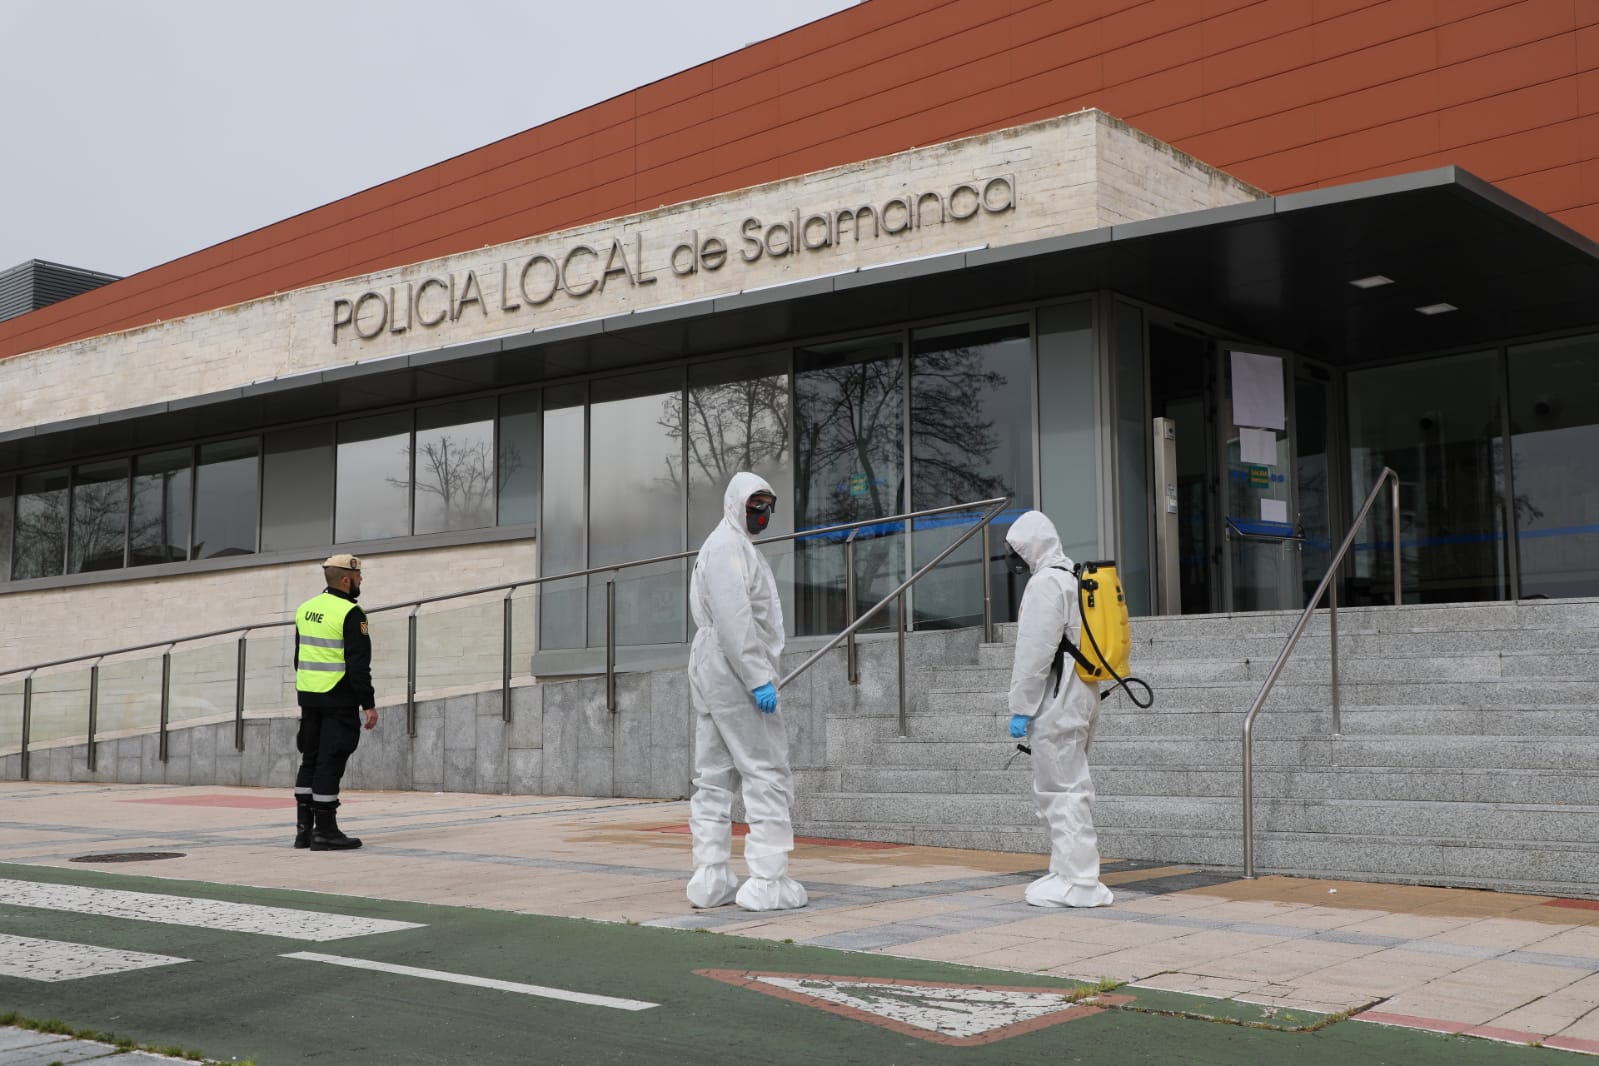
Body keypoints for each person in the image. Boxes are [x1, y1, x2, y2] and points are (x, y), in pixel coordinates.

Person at [685, 472, 807, 911]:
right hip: (733, 670)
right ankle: (768, 879)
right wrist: (758, 678)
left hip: (715, 669)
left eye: (769, 506)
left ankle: (711, 873)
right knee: (765, 768)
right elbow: (737, 622)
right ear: (736, 504)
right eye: (756, 505)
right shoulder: (729, 549)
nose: (764, 514)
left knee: (714, 775)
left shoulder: (725, 546)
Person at [1004, 510, 1114, 908]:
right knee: (1072, 785)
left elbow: (1033, 652)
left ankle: (1079, 882)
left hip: (1057, 696)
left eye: (1015, 550)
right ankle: (1068, 870)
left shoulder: (1045, 584)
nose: (1012, 559)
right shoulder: (1073, 577)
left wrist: (1020, 706)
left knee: (1060, 789)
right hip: (1083, 693)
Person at [292, 553, 378, 851]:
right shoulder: (351, 614)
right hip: (338, 697)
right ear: (346, 579)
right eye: (358, 577)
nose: (360, 581)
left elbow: (298, 657)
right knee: (330, 761)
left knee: (310, 759)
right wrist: (368, 703)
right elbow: (357, 664)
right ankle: (325, 831)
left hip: (309, 695)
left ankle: (304, 831)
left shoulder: (305, 609)